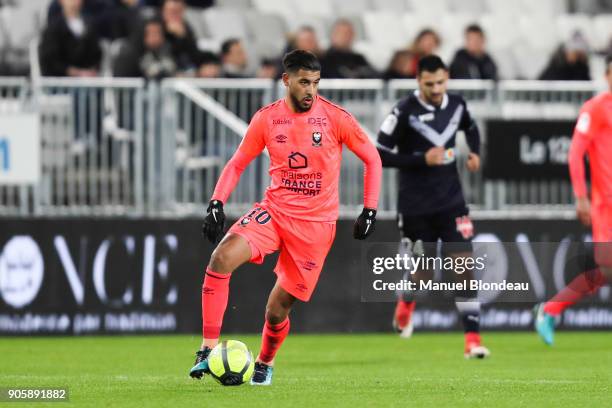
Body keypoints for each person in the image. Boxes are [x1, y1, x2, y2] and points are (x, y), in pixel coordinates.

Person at [189, 50, 382, 385]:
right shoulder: (267, 119)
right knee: (220, 258)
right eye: (304, 82)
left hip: (315, 228)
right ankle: (206, 351)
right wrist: (217, 202)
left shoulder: (335, 118)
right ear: (287, 80)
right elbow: (237, 163)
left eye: (316, 83)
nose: (311, 90)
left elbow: (372, 158)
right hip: (274, 212)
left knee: (276, 311)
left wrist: (369, 208)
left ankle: (265, 361)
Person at [376, 55, 490, 359]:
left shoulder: (457, 104)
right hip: (414, 208)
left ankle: (472, 340)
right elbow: (379, 155)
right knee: (423, 273)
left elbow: (472, 128)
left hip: (452, 203)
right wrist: (420, 160)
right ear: (418, 81)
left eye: (441, 82)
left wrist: (475, 152)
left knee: (463, 267)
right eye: (430, 84)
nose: (437, 89)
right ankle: (406, 302)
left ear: (447, 77)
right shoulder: (403, 111)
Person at [534, 55, 612, 345]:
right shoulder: (596, 109)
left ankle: (550, 309)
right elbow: (575, 152)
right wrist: (581, 196)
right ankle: (550, 309)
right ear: (607, 76)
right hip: (606, 205)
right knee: (605, 269)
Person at [39, 0, 102, 77]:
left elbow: (96, 54)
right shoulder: (53, 28)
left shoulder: (90, 25)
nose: (74, 2)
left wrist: (90, 71)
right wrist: (74, 72)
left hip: (88, 80)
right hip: (60, 81)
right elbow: (50, 60)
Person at [162, 0, 200, 73]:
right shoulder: (156, 27)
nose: (175, 16)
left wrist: (183, 37)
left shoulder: (187, 28)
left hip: (185, 71)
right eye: (172, 12)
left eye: (178, 12)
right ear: (163, 11)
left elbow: (195, 56)